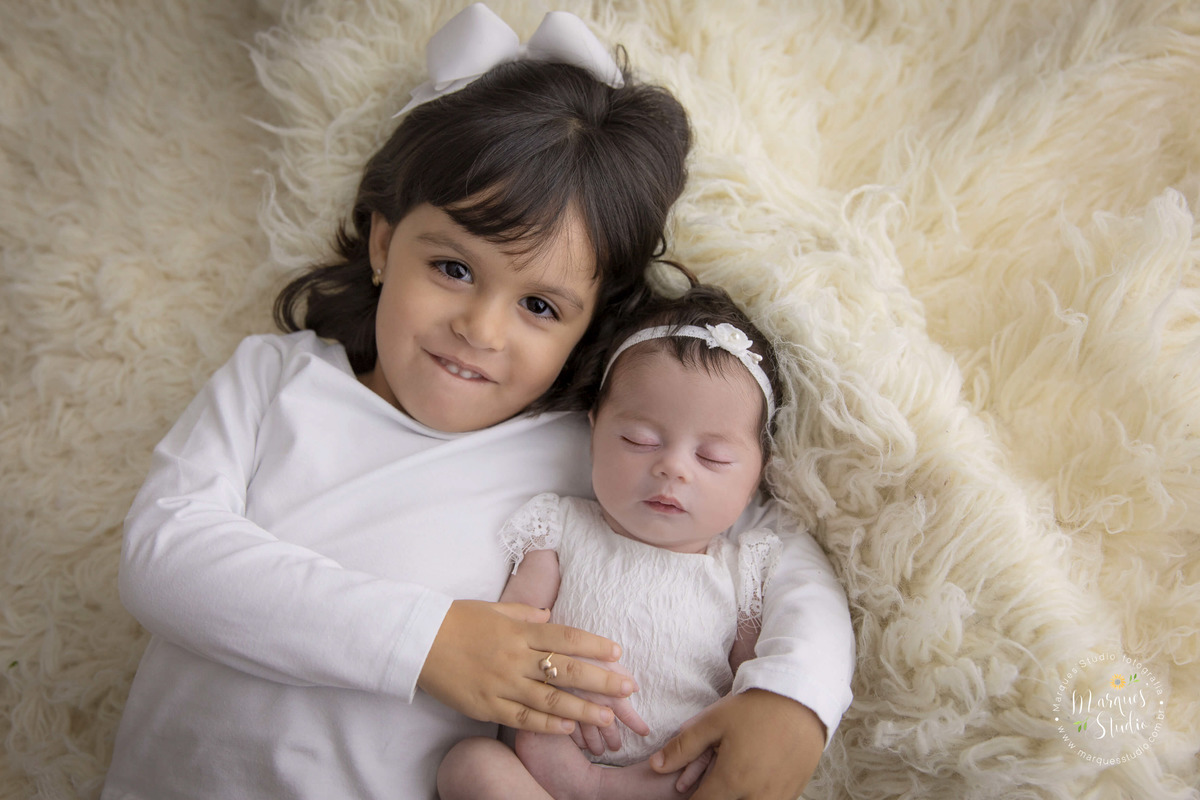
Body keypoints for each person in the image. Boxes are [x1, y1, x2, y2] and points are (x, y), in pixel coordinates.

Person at [102, 5, 853, 799]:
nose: (480, 329)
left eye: (540, 307)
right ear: (386, 242)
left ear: (588, 326)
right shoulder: (278, 380)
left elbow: (774, 550)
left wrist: (796, 697)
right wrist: (429, 643)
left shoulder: (589, 445)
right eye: (454, 268)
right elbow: (164, 556)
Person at [439, 284, 817, 799]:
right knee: (469, 764)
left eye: (713, 458)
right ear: (594, 432)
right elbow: (510, 634)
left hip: (671, 775)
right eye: (639, 440)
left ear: (756, 476)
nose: (672, 467)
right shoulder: (560, 528)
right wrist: (557, 677)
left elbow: (751, 686)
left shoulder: (742, 570)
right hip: (547, 764)